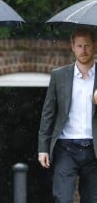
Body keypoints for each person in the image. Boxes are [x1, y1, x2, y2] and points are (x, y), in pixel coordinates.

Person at [38, 26, 97, 202]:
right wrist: (43, 148)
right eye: (79, 46)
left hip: (94, 149)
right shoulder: (59, 75)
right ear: (72, 46)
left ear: (95, 45)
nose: (83, 50)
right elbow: (48, 113)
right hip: (66, 148)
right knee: (62, 199)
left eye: (87, 45)